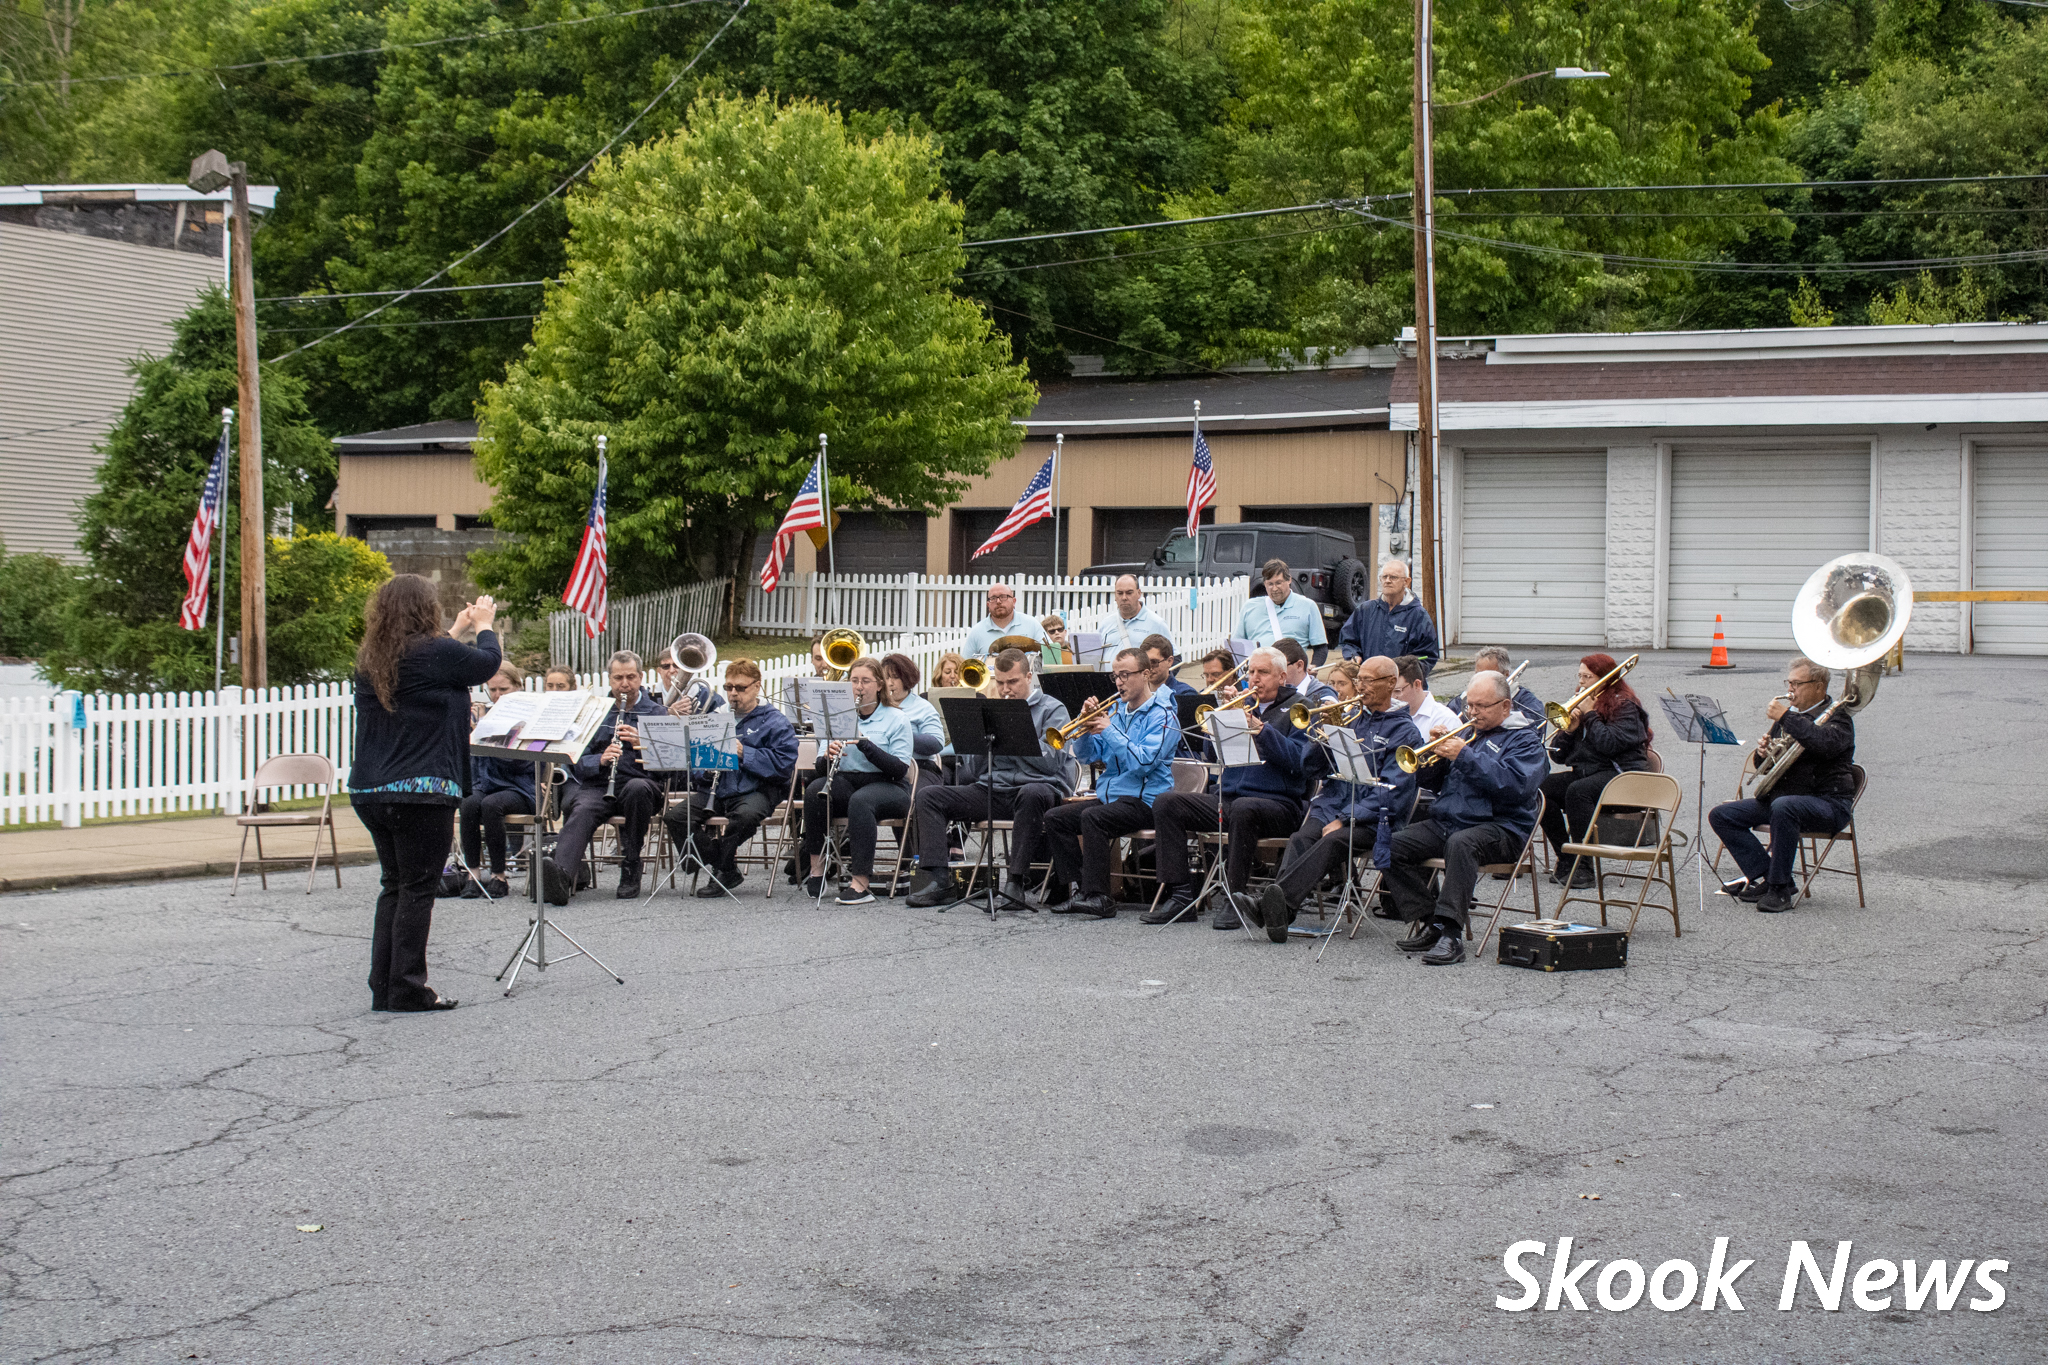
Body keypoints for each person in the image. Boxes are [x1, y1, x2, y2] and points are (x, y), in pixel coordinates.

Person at [347, 575, 503, 1012]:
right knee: (418, 888)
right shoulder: (435, 654)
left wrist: (457, 629)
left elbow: (433, 664)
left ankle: (386, 985)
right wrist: (485, 624)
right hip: (421, 791)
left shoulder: (373, 658)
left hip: (371, 790)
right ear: (423, 609)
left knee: (394, 885)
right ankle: (409, 988)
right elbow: (486, 663)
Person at [1382, 672, 1547, 965]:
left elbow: (1515, 787)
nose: (1472, 712)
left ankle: (1451, 935)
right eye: (1469, 705)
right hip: (1451, 821)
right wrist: (1433, 756)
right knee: (1389, 846)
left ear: (1506, 706)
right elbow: (1432, 784)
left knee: (1461, 844)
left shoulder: (1527, 742)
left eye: (1482, 706)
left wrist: (1465, 756)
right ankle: (1432, 919)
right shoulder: (1469, 735)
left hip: (1502, 827)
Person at [1143, 647, 1312, 929]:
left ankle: (1234, 898)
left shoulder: (1299, 710)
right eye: (1251, 672)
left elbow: (1301, 761)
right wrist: (1223, 722)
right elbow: (1211, 756)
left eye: (1263, 673)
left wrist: (1262, 729)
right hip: (1232, 797)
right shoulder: (1246, 705)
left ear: (1282, 676)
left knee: (1244, 810)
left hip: (1279, 803)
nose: (1254, 679)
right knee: (1167, 802)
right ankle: (1182, 894)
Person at [1256, 656, 1420, 941]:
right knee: (1300, 838)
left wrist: (1347, 818)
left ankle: (1272, 908)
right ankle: (1281, 912)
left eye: (1368, 681)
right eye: (1360, 680)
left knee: (1333, 840)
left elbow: (1392, 790)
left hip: (1376, 817)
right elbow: (1313, 769)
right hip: (1334, 803)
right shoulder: (1353, 718)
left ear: (1391, 683)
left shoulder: (1405, 731)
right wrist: (1320, 736)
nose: (1361, 687)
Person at [906, 649, 1073, 910]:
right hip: (993, 789)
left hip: (1038, 790)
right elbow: (973, 772)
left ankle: (1015, 882)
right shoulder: (991, 709)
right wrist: (978, 741)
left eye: (1013, 682)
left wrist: (1015, 736)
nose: (1006, 689)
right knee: (930, 796)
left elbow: (1052, 763)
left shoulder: (1053, 709)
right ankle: (940, 880)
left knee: (1032, 793)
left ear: (1029, 677)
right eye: (1001, 683)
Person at [1708, 656, 1856, 914]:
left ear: (1819, 686)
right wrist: (1763, 753)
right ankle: (1772, 877)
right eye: (1789, 682)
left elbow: (1822, 744)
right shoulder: (1791, 717)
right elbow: (1767, 764)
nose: (1791, 690)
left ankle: (1779, 891)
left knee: (1784, 806)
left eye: (1797, 684)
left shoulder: (1839, 719)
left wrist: (1787, 717)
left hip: (1828, 804)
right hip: (1784, 801)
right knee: (1722, 815)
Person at [1042, 647, 1178, 918]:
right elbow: (1087, 755)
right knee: (1055, 817)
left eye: (1126, 675)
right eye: (1116, 676)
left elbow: (1144, 764)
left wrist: (1110, 730)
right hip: (1113, 797)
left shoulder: (1163, 716)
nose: (1119, 682)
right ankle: (1084, 890)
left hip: (1146, 800)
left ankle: (1101, 897)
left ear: (1146, 673)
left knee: (1094, 818)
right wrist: (1084, 726)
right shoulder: (1117, 712)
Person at [541, 650, 667, 904]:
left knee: (637, 788)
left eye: (631, 677)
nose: (625, 684)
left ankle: (631, 866)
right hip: (601, 784)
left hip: (641, 785)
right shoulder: (596, 712)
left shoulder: (656, 712)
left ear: (641, 677)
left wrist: (643, 743)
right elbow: (575, 759)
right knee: (582, 808)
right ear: (610, 679)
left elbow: (669, 765)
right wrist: (599, 760)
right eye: (618, 678)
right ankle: (561, 875)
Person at [666, 657, 799, 896]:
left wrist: (744, 752)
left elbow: (784, 765)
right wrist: (705, 770)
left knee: (745, 816)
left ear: (757, 687)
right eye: (729, 688)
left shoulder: (775, 721)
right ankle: (724, 865)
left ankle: (716, 863)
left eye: (740, 688)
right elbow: (696, 768)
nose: (733, 693)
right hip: (718, 789)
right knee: (676, 817)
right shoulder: (716, 718)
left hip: (757, 790)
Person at [800, 656, 916, 905]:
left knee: (861, 801)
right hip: (848, 779)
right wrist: (828, 757)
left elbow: (899, 769)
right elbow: (820, 767)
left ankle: (861, 883)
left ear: (879, 685)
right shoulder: (836, 716)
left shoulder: (896, 718)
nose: (859, 687)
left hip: (889, 785)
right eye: (854, 681)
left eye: (865, 681)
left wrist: (864, 743)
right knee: (814, 791)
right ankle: (817, 869)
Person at [1540, 653, 1653, 890]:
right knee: (1542, 789)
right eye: (1579, 676)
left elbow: (1609, 745)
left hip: (1622, 776)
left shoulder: (1625, 706)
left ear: (1605, 678)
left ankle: (1585, 865)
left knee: (1578, 791)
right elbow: (1558, 756)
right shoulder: (1583, 703)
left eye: (1587, 677)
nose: (1581, 682)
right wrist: (1569, 731)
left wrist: (1590, 715)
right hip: (1590, 773)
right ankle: (1567, 856)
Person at [455, 662, 534, 899]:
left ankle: (499, 876)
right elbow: (474, 764)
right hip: (488, 784)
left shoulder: (529, 718)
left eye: (504, 689)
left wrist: (490, 734)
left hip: (520, 787)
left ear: (518, 687)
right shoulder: (485, 717)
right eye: (493, 690)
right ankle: (473, 874)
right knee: (469, 803)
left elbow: (521, 763)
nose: (497, 696)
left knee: (491, 806)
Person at [1338, 558, 1440, 677]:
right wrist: (1353, 655)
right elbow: (1348, 641)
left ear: (1406, 582)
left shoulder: (1419, 616)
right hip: (1369, 682)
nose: (1387, 581)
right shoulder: (1365, 610)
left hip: (1401, 687)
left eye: (1393, 577)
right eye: (1384, 577)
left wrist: (1403, 674)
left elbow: (1427, 656)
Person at [1239, 559, 1327, 658]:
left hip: (1291, 670)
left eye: (1278, 583)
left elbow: (1320, 647)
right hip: (1258, 670)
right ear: (1264, 583)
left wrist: (1313, 667)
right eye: (1270, 584)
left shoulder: (1308, 606)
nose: (1275, 589)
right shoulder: (1249, 606)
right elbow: (1237, 644)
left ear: (1289, 580)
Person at [1456, 646, 1544, 728]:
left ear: (1506, 674)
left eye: (1489, 675)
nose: (1481, 679)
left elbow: (1535, 723)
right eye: (1478, 674)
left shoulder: (1528, 703)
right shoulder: (1463, 699)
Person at [1393, 655, 1461, 749]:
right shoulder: (1389, 713)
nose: (1392, 698)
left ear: (1417, 684)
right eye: (1389, 691)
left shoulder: (1446, 719)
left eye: (1397, 691)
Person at [963, 583, 1046, 656]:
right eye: (993, 598)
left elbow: (1050, 656)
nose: (998, 601)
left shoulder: (1031, 624)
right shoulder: (977, 632)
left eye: (1003, 597)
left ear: (1014, 601)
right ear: (988, 605)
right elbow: (965, 665)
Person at [1104, 574, 1175, 657]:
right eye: (1120, 593)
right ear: (1115, 595)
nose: (1124, 597)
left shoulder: (1157, 623)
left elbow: (1174, 659)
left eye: (1129, 593)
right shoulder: (1105, 624)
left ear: (1139, 593)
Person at [654, 644, 724, 717]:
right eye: (666, 666)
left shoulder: (704, 694)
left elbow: (722, 715)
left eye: (676, 665)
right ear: (659, 671)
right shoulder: (651, 697)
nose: (671, 670)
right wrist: (668, 712)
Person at [1274, 637, 1335, 707]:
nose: (1275, 674)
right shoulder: (1271, 693)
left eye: (1281, 667)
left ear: (1299, 666)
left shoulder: (1324, 694)